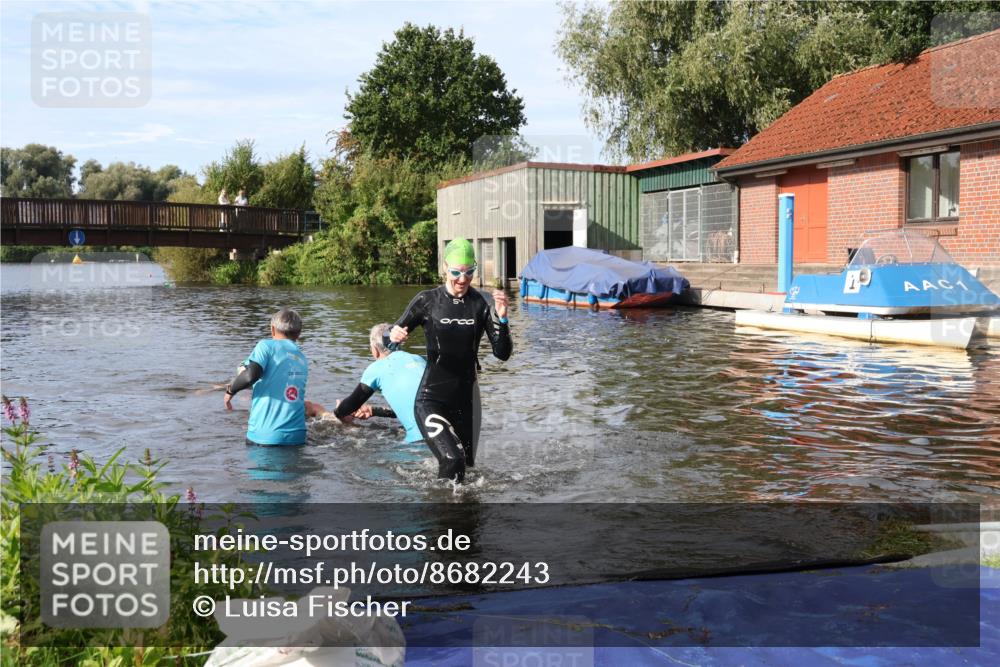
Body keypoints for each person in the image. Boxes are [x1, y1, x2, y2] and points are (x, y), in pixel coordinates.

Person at [389, 237, 511, 483]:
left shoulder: (482, 302)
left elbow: (502, 354)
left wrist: (504, 320)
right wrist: (393, 335)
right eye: (456, 272)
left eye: (469, 272)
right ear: (445, 267)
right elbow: (388, 339)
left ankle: (462, 516)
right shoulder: (427, 300)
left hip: (467, 401)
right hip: (431, 398)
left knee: (467, 469)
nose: (463, 279)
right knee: (452, 461)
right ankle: (441, 517)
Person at [326, 323, 426, 442]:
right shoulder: (419, 359)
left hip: (420, 440)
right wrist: (373, 411)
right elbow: (414, 406)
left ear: (375, 349)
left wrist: (338, 413)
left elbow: (352, 404)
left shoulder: (377, 368)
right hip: (448, 430)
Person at [224, 308, 310, 446]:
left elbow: (250, 376)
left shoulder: (265, 346)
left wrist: (231, 390)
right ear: (298, 334)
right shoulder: (302, 358)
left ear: (272, 329)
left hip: (265, 437)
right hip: (297, 437)